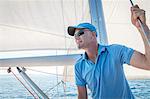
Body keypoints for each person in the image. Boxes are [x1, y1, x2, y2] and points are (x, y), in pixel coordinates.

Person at [67, 5, 150, 99]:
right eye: (74, 35)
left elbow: (148, 64)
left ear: (93, 34)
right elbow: (82, 96)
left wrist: (142, 27)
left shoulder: (116, 51)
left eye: (79, 33)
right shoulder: (79, 66)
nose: (76, 37)